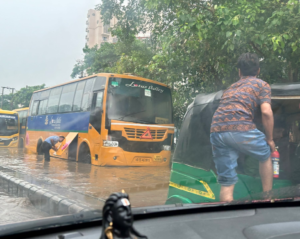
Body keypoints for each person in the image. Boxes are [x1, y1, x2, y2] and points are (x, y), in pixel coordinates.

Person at [210, 53, 275, 202]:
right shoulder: (261, 85)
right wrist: (270, 139)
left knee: (227, 181)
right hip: (239, 127)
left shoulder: (231, 88)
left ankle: (228, 216)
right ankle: (268, 198)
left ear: (239, 72)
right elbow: (266, 112)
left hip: (216, 129)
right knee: (265, 153)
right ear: (258, 71)